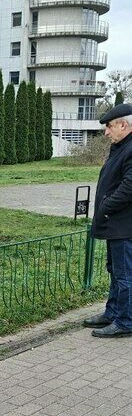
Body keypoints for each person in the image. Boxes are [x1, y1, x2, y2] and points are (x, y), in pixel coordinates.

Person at [85, 103, 132, 338]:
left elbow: (128, 187)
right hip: (116, 225)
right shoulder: (121, 146)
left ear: (123, 125)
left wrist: (106, 205)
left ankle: (125, 321)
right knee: (115, 271)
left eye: (109, 126)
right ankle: (112, 313)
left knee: (125, 275)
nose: (106, 132)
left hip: (124, 225)